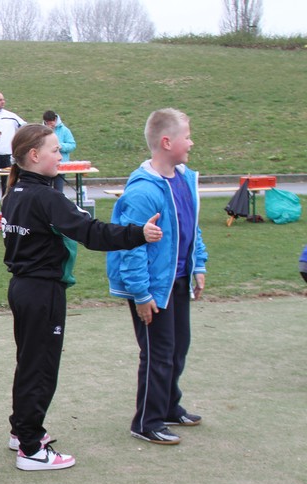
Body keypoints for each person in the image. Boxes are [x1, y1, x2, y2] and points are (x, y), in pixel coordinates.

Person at [2, 124, 162, 471]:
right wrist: (139, 234)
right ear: (34, 155)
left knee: (30, 363)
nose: (60, 156)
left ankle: (22, 431)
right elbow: (91, 232)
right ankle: (30, 448)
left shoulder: (16, 192)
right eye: (55, 150)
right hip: (41, 292)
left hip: (25, 289)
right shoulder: (44, 197)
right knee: (40, 368)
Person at [107, 108, 208, 446]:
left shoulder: (184, 179)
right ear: (167, 142)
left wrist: (199, 264)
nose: (191, 143)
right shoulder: (143, 191)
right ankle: (146, 422)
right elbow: (131, 247)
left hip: (177, 278)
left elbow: (191, 227)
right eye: (187, 137)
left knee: (178, 347)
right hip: (152, 286)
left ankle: (168, 406)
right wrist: (141, 294)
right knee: (158, 353)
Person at [42, 110, 76, 194]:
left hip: (60, 165)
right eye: (48, 123)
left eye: (52, 123)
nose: (51, 125)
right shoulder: (41, 131)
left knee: (58, 191)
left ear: (55, 119)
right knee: (45, 190)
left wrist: (61, 146)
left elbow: (72, 145)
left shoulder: (64, 130)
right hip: (46, 165)